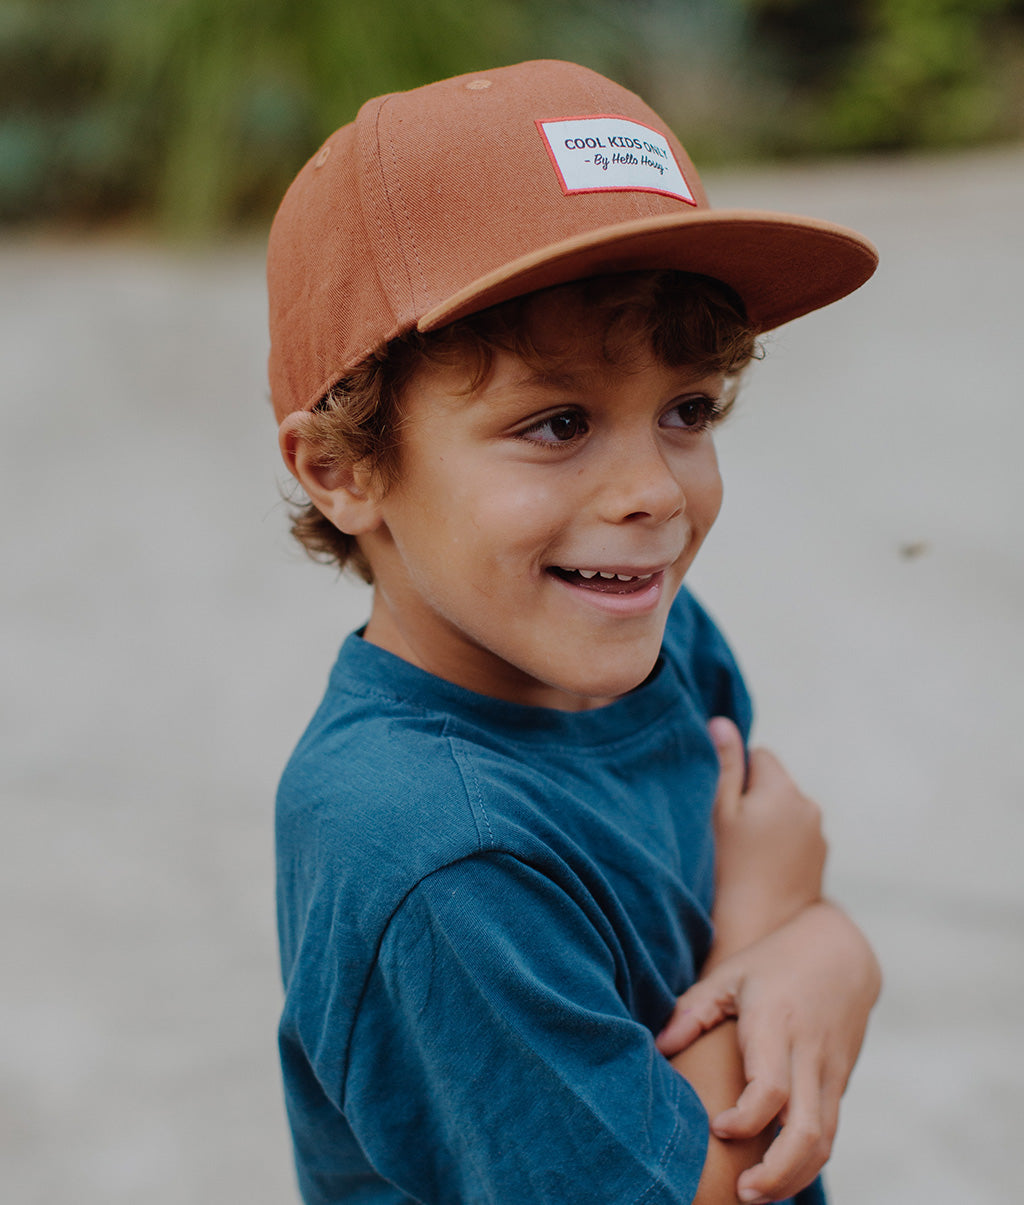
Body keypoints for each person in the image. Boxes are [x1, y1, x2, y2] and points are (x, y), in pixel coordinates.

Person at [268, 59, 882, 1205]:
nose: (652, 490)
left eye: (686, 409)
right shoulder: (433, 850)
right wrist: (789, 930)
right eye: (556, 423)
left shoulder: (655, 636)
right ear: (344, 468)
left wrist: (807, 939)